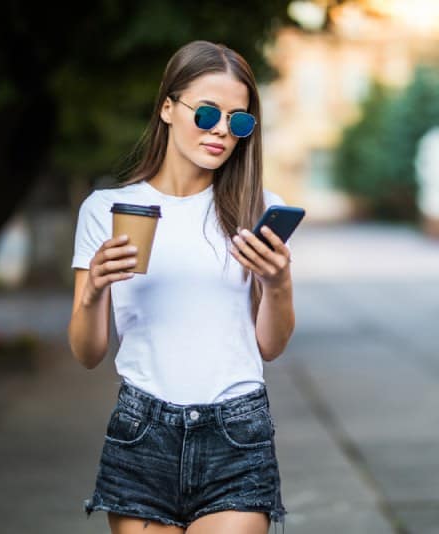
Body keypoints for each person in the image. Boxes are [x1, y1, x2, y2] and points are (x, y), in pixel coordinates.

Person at [68, 40, 293, 534]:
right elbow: (88, 353)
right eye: (208, 112)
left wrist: (278, 284)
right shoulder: (106, 210)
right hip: (142, 432)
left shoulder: (255, 209)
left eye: (238, 121)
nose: (220, 131)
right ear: (168, 107)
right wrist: (93, 293)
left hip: (236, 433)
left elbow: (269, 347)